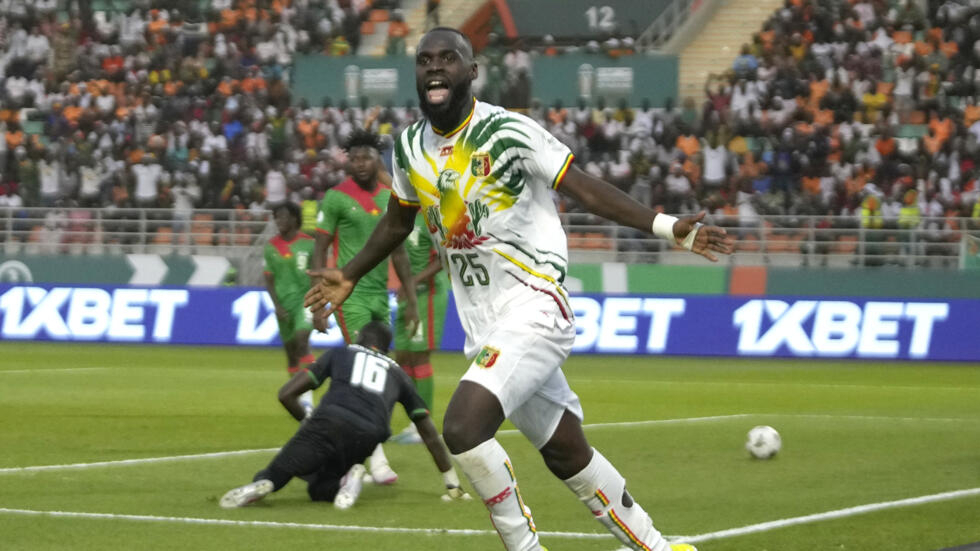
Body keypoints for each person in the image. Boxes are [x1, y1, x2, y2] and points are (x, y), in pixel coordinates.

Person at [305, 28, 732, 551]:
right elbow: (398, 221)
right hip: (484, 324)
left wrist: (668, 227)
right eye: (425, 61)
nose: (435, 68)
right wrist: (349, 274)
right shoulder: (410, 148)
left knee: (462, 427)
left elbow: (582, 187)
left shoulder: (508, 132)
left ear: (472, 70)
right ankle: (657, 547)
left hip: (534, 305)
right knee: (566, 451)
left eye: (448, 59)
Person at [219, 321, 470, 510]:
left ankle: (267, 483)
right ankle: (346, 480)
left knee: (276, 473)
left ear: (359, 337)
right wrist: (452, 484)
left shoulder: (341, 353)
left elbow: (286, 394)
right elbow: (428, 431)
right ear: (385, 347)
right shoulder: (399, 374)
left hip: (329, 419)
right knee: (319, 488)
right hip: (370, 434)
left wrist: (309, 423)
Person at [312, 128, 420, 485]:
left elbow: (399, 250)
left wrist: (411, 299)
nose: (359, 163)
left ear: (378, 159)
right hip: (350, 296)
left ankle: (345, 448)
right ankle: (375, 459)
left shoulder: (392, 196)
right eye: (353, 158)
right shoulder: (335, 198)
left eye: (366, 157)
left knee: (379, 371)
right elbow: (320, 249)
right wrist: (317, 300)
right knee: (362, 366)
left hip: (380, 296)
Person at [390, 211, 447, 444]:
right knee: (402, 358)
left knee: (419, 358)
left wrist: (413, 282)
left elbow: (443, 259)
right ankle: (415, 421)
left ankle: (425, 424)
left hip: (427, 295)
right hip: (406, 294)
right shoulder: (401, 216)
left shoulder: (431, 217)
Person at [264, 202, 317, 415]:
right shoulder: (271, 247)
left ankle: (308, 399)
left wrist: (316, 299)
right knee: (291, 355)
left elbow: (316, 273)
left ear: (295, 218)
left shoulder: (309, 244)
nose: (280, 221)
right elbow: (268, 279)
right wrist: (276, 306)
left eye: (284, 217)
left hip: (304, 302)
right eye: (277, 217)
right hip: (283, 306)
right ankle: (297, 394)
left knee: (302, 340)